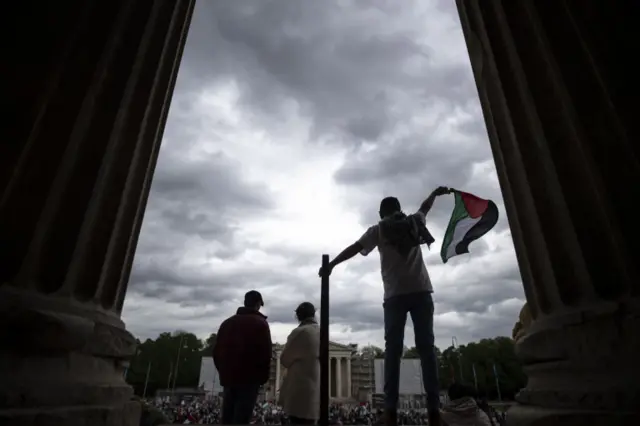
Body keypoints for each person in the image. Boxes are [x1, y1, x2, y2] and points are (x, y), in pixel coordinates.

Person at [320, 186, 450, 426]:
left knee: (393, 352)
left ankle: (390, 411)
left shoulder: (379, 230)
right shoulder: (414, 222)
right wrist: (434, 192)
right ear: (399, 209)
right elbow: (425, 207)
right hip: (422, 291)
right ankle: (434, 410)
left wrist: (332, 265)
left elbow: (354, 248)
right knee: (427, 350)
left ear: (381, 213)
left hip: (394, 296)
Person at [213, 290, 273, 424]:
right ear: (258, 304)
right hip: (250, 380)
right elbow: (265, 354)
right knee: (242, 418)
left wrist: (224, 372)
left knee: (227, 417)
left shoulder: (227, 323)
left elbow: (217, 352)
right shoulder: (260, 324)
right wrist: (262, 378)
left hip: (229, 378)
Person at [278, 302, 320, 424]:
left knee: (298, 420)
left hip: (300, 389)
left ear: (299, 316)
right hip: (316, 388)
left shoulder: (301, 332)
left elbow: (285, 359)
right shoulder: (321, 332)